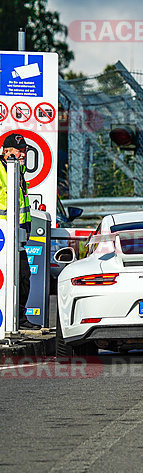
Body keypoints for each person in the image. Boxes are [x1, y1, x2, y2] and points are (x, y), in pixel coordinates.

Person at [0, 133, 37, 330]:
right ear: (6, 152)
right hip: (2, 236)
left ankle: (19, 318)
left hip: (19, 235)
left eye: (24, 150)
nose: (22, 154)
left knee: (23, 275)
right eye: (18, 150)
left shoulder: (18, 170)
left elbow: (22, 206)